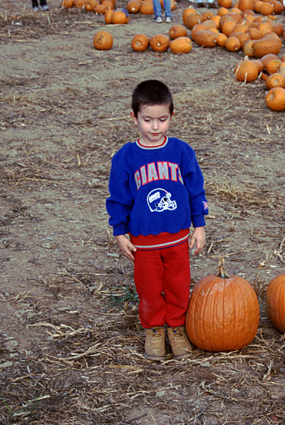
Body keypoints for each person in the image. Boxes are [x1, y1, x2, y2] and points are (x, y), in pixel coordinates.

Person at [106, 79, 208, 361]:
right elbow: (118, 198)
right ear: (134, 117)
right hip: (144, 242)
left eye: (162, 120)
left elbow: (195, 190)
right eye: (147, 119)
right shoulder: (125, 158)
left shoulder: (181, 152)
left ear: (171, 116)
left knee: (178, 284)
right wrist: (120, 233)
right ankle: (153, 329)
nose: (155, 127)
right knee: (149, 288)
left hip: (177, 237)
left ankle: (176, 326)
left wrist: (199, 226)